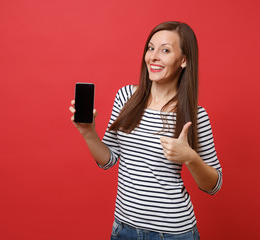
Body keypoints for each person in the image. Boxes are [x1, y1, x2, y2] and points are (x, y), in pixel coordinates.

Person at [69, 21, 222, 240]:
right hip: (124, 229)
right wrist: (88, 132)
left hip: (172, 234)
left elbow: (214, 185)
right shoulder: (126, 97)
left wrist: (191, 158)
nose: (153, 57)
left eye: (165, 50)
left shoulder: (194, 115)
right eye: (150, 48)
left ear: (184, 60)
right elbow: (109, 160)